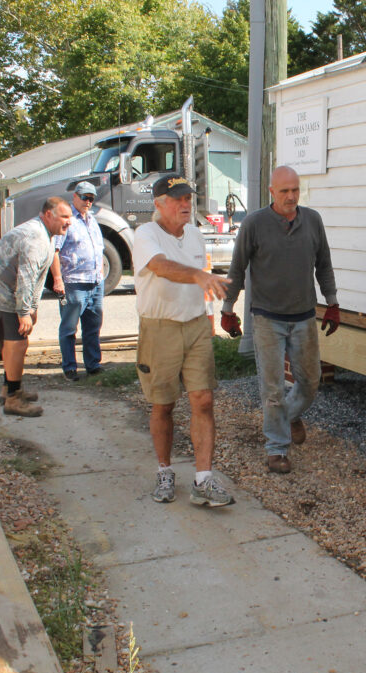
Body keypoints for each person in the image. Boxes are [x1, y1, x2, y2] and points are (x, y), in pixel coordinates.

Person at [219, 165, 340, 474]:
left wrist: (333, 303)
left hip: (303, 317)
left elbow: (324, 265)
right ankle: (276, 449)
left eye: (295, 190)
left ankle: (287, 416)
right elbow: (236, 270)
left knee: (310, 382)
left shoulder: (312, 221)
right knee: (272, 388)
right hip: (267, 318)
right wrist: (228, 309)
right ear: (271, 191)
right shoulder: (254, 224)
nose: (291, 196)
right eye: (284, 191)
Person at [134, 174, 234, 507]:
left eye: (188, 198)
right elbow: (161, 267)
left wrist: (208, 320)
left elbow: (202, 283)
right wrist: (198, 275)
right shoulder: (145, 234)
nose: (185, 204)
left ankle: (203, 480)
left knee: (203, 400)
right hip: (159, 327)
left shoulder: (195, 235)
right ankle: (165, 471)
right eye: (177, 199)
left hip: (194, 327)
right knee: (163, 404)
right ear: (159, 203)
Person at [0, 196, 72, 417]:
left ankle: (9, 388)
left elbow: (36, 276)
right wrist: (24, 311)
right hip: (0, 295)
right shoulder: (35, 237)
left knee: (15, 343)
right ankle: (13, 400)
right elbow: (26, 277)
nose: (69, 221)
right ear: (48, 215)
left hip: (3, 294)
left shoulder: (44, 234)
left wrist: (31, 307)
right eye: (64, 217)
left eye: (70, 217)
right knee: (17, 344)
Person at [51, 181, 104, 381]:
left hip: (95, 282)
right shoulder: (67, 220)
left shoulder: (93, 220)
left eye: (91, 198)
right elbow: (54, 252)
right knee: (69, 327)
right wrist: (58, 280)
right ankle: (70, 368)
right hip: (74, 282)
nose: (88, 202)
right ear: (75, 197)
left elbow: (99, 250)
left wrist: (99, 275)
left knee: (93, 326)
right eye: (84, 197)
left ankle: (93, 365)